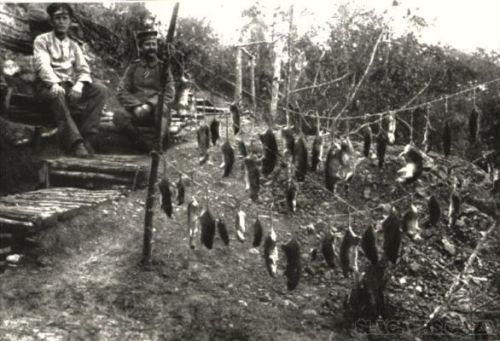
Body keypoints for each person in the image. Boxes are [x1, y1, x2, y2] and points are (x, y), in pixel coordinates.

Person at [33, 3, 107, 157]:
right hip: (46, 87)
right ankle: (76, 143)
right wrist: (53, 83)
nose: (61, 21)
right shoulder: (42, 40)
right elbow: (42, 65)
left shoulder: (74, 45)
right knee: (57, 94)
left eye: (64, 18)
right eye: (57, 18)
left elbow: (83, 68)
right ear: (51, 21)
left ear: (70, 21)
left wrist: (79, 85)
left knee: (100, 89)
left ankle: (88, 137)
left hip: (68, 85)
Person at [114, 30, 175, 152]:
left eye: (154, 44)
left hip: (156, 112)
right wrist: (136, 106)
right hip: (137, 112)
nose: (151, 48)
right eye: (147, 44)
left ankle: (158, 145)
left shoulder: (163, 67)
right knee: (119, 115)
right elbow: (121, 90)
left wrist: (149, 105)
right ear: (141, 48)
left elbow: (169, 92)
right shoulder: (133, 67)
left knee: (162, 109)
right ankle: (142, 145)